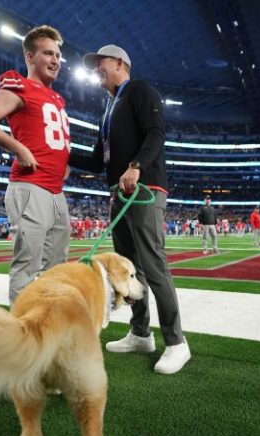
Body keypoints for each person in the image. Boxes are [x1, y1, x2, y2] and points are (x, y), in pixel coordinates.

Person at [70, 44, 190, 375]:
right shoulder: (108, 109)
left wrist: (136, 165)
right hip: (119, 195)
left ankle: (177, 342)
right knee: (129, 268)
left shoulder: (139, 89)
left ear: (121, 63)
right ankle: (140, 332)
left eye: (101, 63)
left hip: (144, 188)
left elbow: (156, 133)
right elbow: (97, 160)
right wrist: (60, 153)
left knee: (153, 264)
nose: (96, 69)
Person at [0, 25, 71, 305]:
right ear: (30, 57)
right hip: (30, 187)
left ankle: (51, 329)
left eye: (58, 55)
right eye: (48, 53)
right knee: (27, 267)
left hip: (55, 191)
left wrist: (64, 160)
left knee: (58, 269)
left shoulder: (57, 98)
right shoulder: (20, 85)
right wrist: (17, 147)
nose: (55, 60)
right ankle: (23, 335)